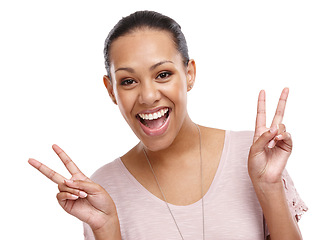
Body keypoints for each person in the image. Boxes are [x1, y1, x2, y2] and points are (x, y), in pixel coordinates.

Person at [28, 10, 307, 240]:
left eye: (162, 74)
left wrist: (269, 186)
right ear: (111, 90)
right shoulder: (102, 188)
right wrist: (106, 229)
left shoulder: (254, 156)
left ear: (189, 74)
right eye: (128, 81)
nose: (148, 96)